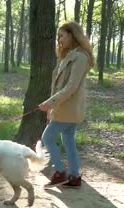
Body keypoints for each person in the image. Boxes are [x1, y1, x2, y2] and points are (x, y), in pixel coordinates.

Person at [38, 21, 95, 188]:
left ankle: (60, 172)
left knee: (47, 138)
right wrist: (51, 108)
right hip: (63, 108)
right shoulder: (67, 56)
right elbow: (57, 85)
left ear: (72, 35)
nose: (59, 40)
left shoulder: (80, 57)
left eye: (62, 36)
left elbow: (71, 87)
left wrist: (49, 103)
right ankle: (75, 176)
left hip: (68, 108)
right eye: (58, 37)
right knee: (69, 142)